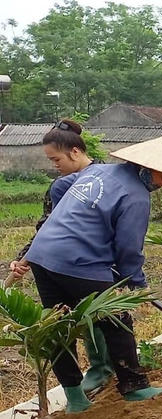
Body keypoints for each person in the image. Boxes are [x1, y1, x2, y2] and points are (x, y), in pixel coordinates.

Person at [24, 136, 162, 411]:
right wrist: (137, 286)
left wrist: (80, 214)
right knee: (117, 320)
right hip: (78, 260)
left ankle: (75, 398)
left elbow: (61, 187)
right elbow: (128, 249)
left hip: (42, 254)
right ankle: (134, 387)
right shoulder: (137, 196)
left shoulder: (97, 171)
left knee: (58, 323)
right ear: (147, 169)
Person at [8, 120, 116, 396]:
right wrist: (25, 258)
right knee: (63, 319)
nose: (53, 165)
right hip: (60, 262)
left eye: (56, 159)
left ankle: (102, 368)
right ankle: (83, 382)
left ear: (75, 152)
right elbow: (48, 226)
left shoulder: (103, 177)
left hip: (95, 259)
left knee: (96, 315)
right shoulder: (59, 186)